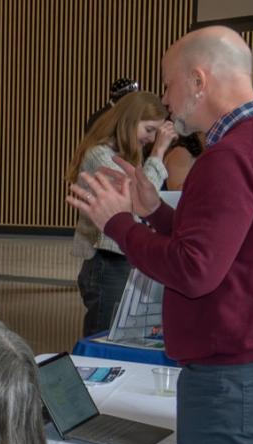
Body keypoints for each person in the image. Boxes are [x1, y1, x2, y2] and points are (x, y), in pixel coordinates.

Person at [67, 26, 253, 444]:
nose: (165, 98)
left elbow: (195, 270)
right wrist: (152, 211)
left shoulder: (229, 157)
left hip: (237, 377)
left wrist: (119, 224)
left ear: (198, 81)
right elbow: (233, 245)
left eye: (168, 83)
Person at [65, 91, 175, 337]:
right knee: (103, 338)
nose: (151, 138)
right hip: (106, 261)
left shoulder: (125, 154)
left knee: (117, 336)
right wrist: (158, 154)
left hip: (120, 256)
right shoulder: (99, 155)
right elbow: (138, 200)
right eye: (148, 129)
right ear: (129, 120)